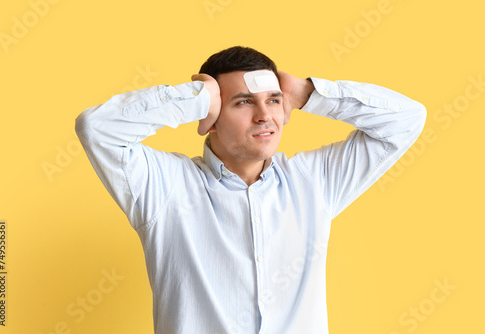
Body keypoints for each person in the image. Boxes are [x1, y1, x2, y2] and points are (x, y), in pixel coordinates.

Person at [75, 46, 426, 334]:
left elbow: (407, 120)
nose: (264, 115)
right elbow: (96, 128)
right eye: (243, 102)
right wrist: (196, 98)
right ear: (210, 118)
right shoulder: (164, 186)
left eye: (273, 100)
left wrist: (309, 94)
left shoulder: (314, 181)